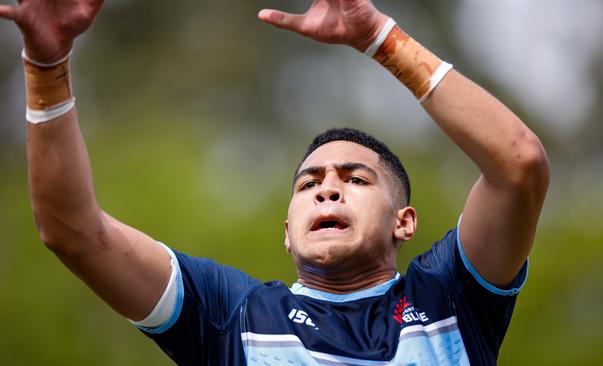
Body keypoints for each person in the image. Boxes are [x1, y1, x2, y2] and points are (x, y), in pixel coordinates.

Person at [0, 0, 550, 365]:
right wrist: (47, 65)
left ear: (404, 221)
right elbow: (72, 231)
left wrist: (383, 39)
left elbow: (519, 165)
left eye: (355, 179)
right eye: (309, 184)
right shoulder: (232, 316)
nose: (327, 189)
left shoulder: (450, 296)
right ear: (287, 231)